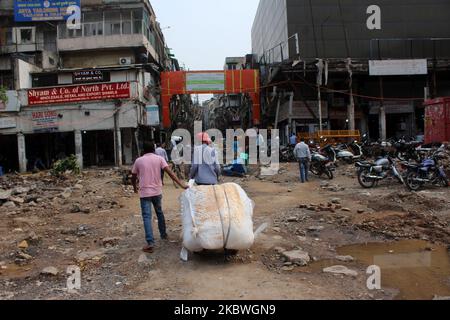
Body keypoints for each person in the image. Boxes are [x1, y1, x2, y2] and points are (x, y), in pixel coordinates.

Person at [132, 141, 188, 253]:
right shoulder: (159, 159)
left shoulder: (138, 161)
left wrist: (134, 187)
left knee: (147, 216)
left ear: (143, 150)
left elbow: (133, 176)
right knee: (159, 213)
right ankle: (163, 234)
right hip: (157, 192)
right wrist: (181, 184)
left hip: (145, 193)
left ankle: (150, 242)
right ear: (154, 149)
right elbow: (170, 173)